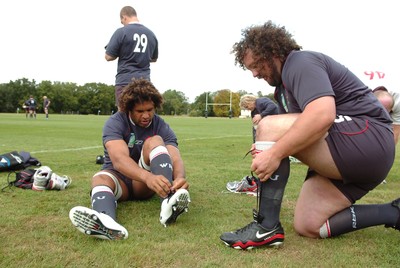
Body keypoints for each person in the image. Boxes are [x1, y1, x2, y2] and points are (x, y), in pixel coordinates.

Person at [220, 21, 398, 250]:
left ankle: (266, 227)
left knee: (269, 126)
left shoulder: (299, 62)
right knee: (309, 224)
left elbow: (322, 115)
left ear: (272, 53)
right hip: (361, 155)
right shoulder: (282, 89)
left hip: (368, 138)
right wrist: (271, 151)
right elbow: (298, 134)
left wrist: (274, 152)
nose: (254, 74)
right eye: (250, 69)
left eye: (257, 65)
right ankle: (392, 212)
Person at [69, 79, 190, 240]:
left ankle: (168, 202)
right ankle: (106, 222)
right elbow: (119, 160)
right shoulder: (115, 122)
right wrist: (148, 177)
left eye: (150, 110)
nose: (146, 115)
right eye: (140, 111)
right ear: (128, 110)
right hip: (121, 178)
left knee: (154, 141)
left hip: (144, 185)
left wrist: (180, 178)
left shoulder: (161, 125)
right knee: (99, 178)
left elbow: (175, 157)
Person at [105, 6, 158, 108]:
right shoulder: (151, 34)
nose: (122, 23)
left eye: (122, 21)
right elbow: (154, 58)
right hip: (145, 83)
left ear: (124, 17)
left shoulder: (121, 32)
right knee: (142, 117)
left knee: (124, 118)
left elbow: (108, 56)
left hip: (125, 81)